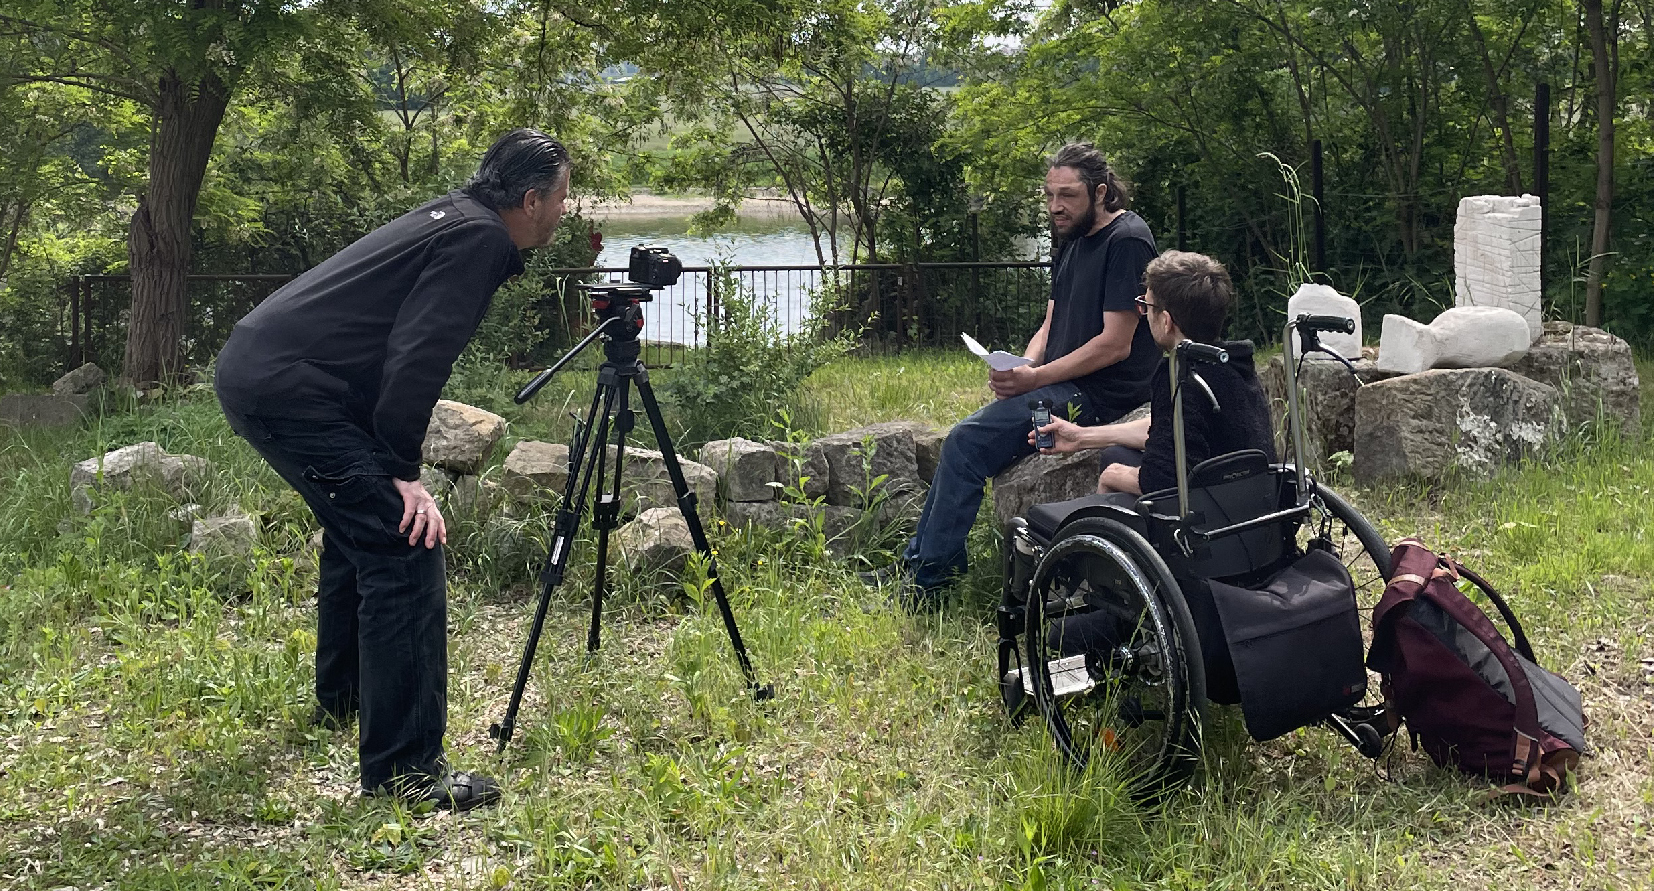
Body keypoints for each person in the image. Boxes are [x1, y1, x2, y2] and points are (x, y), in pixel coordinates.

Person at [213, 129, 571, 811]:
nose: (564, 211)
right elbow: (417, 354)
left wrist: (384, 464)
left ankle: (343, 699)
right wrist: (404, 471)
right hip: (291, 389)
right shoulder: (480, 240)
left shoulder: (455, 216)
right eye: (561, 198)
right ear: (530, 200)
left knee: (361, 531)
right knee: (406, 538)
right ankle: (405, 773)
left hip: (267, 371)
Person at [861, 143, 1161, 609]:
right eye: (1048, 195)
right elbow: (1049, 322)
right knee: (967, 440)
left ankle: (930, 581)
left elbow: (1115, 343)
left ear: (1101, 192)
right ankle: (919, 562)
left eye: (1067, 196)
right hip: (1059, 384)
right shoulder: (1070, 239)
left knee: (964, 442)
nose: (1055, 207)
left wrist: (1036, 381)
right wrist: (1020, 366)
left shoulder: (1127, 240)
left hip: (1102, 396)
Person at [1030, 250, 1275, 496]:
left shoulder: (1180, 376)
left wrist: (1111, 476)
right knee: (1116, 453)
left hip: (1205, 516)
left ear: (1166, 321)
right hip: (1248, 504)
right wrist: (1081, 436)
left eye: (1146, 306)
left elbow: (1162, 481)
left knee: (1114, 469)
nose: (1144, 315)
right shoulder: (1232, 364)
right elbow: (1168, 428)